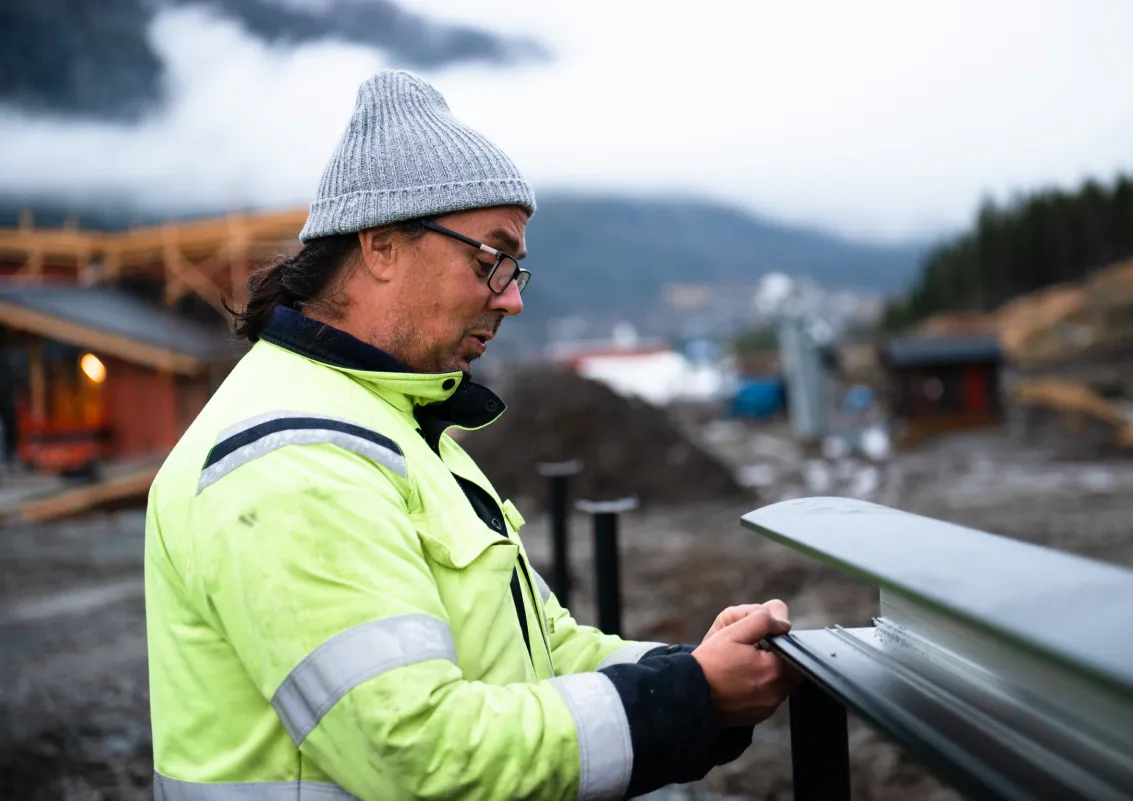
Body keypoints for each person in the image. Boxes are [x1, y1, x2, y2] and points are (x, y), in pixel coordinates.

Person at [144, 69, 799, 801]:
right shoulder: (293, 457)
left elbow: (542, 653)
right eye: (491, 259)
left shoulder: (404, 434)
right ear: (381, 245)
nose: (513, 298)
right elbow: (418, 753)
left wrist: (696, 666)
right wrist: (690, 696)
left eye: (518, 267)